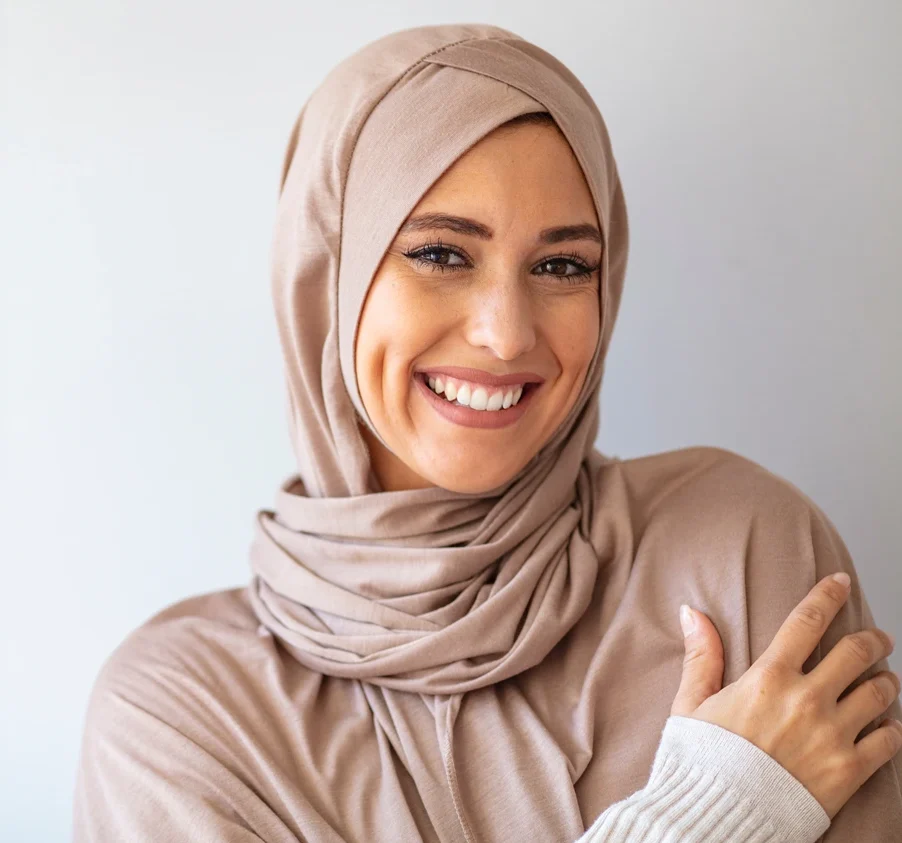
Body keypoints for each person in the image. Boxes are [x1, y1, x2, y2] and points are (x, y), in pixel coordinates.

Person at [71, 22, 902, 842]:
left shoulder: (732, 547)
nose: (506, 335)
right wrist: (717, 810)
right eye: (440, 253)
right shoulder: (178, 717)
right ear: (328, 276)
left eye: (562, 265)